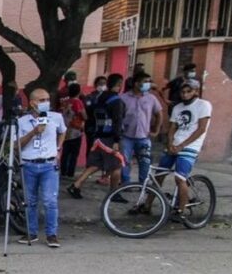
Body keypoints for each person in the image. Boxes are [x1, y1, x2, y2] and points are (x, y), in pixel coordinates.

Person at [137, 80, 212, 220]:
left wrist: (182, 146)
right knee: (159, 175)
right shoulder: (177, 107)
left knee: (179, 178)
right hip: (174, 146)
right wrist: (170, 144)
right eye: (183, 92)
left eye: (188, 91)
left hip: (191, 147)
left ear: (196, 91)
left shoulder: (204, 105)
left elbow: (201, 129)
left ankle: (181, 211)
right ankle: (147, 205)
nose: (185, 94)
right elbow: (172, 128)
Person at [16, 87, 66, 248]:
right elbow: (16, 145)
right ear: (32, 103)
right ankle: (31, 232)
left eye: (48, 100)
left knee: (50, 201)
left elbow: (63, 132)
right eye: (42, 100)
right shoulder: (22, 121)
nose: (46, 103)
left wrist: (58, 148)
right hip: (29, 164)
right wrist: (34, 132)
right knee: (30, 201)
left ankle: (52, 234)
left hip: (49, 165)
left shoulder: (56, 117)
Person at [68, 73, 126, 202]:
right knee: (117, 165)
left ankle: (76, 185)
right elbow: (118, 121)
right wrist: (116, 140)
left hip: (97, 136)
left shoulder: (98, 98)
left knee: (95, 164)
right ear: (119, 84)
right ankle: (114, 193)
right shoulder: (116, 101)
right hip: (110, 137)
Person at [119, 72, 163, 184]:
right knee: (124, 161)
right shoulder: (123, 98)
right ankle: (125, 183)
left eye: (149, 81)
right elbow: (118, 116)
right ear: (136, 83)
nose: (148, 84)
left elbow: (159, 114)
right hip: (126, 136)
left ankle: (144, 184)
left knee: (145, 162)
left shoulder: (151, 98)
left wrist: (156, 131)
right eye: (145, 81)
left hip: (144, 136)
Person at [58, 82, 86, 178]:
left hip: (65, 130)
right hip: (76, 131)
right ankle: (70, 173)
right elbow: (84, 115)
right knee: (74, 153)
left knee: (65, 152)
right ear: (79, 91)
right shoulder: (78, 102)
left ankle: (63, 171)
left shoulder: (65, 102)